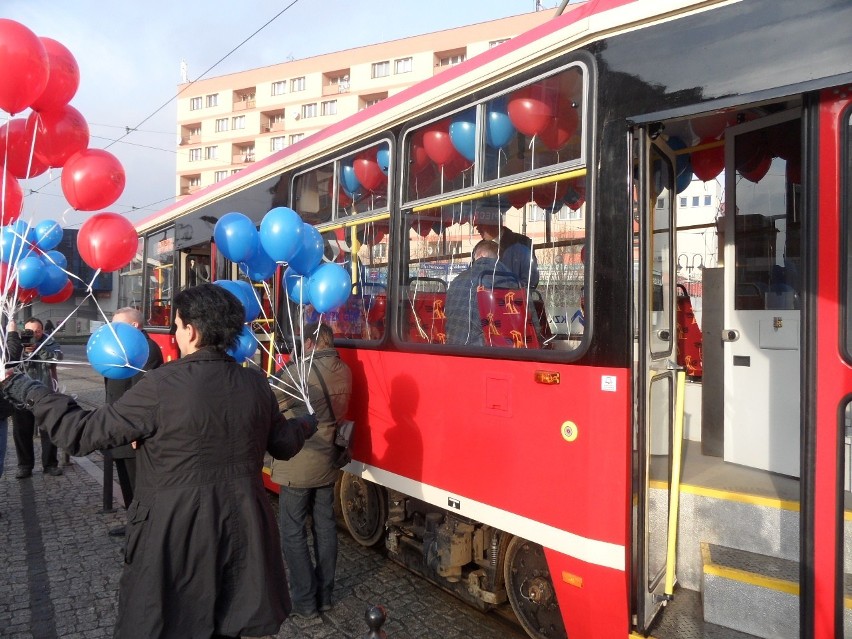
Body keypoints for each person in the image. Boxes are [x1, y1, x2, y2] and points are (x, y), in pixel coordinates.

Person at [1, 283, 318, 639]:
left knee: (172, 620)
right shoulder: (255, 383)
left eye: (178, 325)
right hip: (244, 526)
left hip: (175, 530)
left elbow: (81, 433)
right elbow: (283, 444)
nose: (176, 333)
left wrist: (27, 389)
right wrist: (307, 423)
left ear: (192, 331)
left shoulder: (162, 385)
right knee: (229, 621)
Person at [271, 322, 352, 619]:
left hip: (300, 459)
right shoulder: (344, 369)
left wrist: (291, 365)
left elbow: (272, 401)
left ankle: (305, 600)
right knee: (325, 527)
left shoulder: (299, 374)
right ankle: (325, 594)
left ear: (308, 343)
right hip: (328, 458)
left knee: (292, 531)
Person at [101, 307, 164, 537]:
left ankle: (144, 534)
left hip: (134, 432)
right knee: (127, 482)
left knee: (140, 486)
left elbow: (143, 397)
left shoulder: (146, 349)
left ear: (135, 326)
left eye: (119, 325)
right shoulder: (123, 348)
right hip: (120, 427)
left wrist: (136, 432)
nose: (113, 330)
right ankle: (134, 526)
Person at [8, 318, 63, 478]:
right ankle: (25, 466)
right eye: (28, 331)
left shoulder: (49, 341)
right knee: (21, 431)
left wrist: (38, 348)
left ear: (41, 331)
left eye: (36, 331)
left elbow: (57, 357)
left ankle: (50, 464)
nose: (32, 334)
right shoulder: (16, 343)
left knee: (49, 430)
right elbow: (9, 362)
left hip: (45, 392)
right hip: (21, 394)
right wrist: (22, 351)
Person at [445, 240, 517, 346]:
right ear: (498, 258)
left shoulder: (457, 280)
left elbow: (447, 315)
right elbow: (527, 320)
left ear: (480, 255)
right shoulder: (510, 280)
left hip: (454, 349)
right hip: (489, 352)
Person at [473, 206, 539, 289]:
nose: (477, 229)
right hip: (485, 300)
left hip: (513, 299)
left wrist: (508, 292)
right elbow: (472, 277)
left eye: (481, 225)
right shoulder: (478, 247)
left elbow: (531, 279)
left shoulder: (522, 244)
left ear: (495, 224)